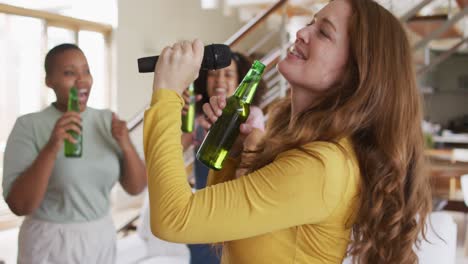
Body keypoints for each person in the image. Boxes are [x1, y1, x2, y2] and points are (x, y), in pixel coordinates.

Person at [143, 0, 432, 263]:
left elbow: (174, 218)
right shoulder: (299, 146)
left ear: (356, 72)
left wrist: (167, 93)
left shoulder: (321, 166)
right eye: (310, 23)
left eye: (324, 33)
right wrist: (236, 153)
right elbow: (221, 228)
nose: (302, 33)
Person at [2, 43, 147, 264]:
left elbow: (136, 187)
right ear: (49, 81)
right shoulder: (29, 126)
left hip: (100, 238)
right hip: (49, 242)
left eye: (86, 71)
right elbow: (20, 206)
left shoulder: (106, 120)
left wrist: (125, 143)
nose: (82, 80)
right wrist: (52, 147)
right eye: (69, 73)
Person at [181, 52, 266, 264]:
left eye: (228, 75)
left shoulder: (252, 115)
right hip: (201, 215)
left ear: (240, 81)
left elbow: (253, 166)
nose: (219, 80)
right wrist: (181, 117)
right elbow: (173, 150)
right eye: (213, 74)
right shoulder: (199, 116)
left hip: (232, 215)